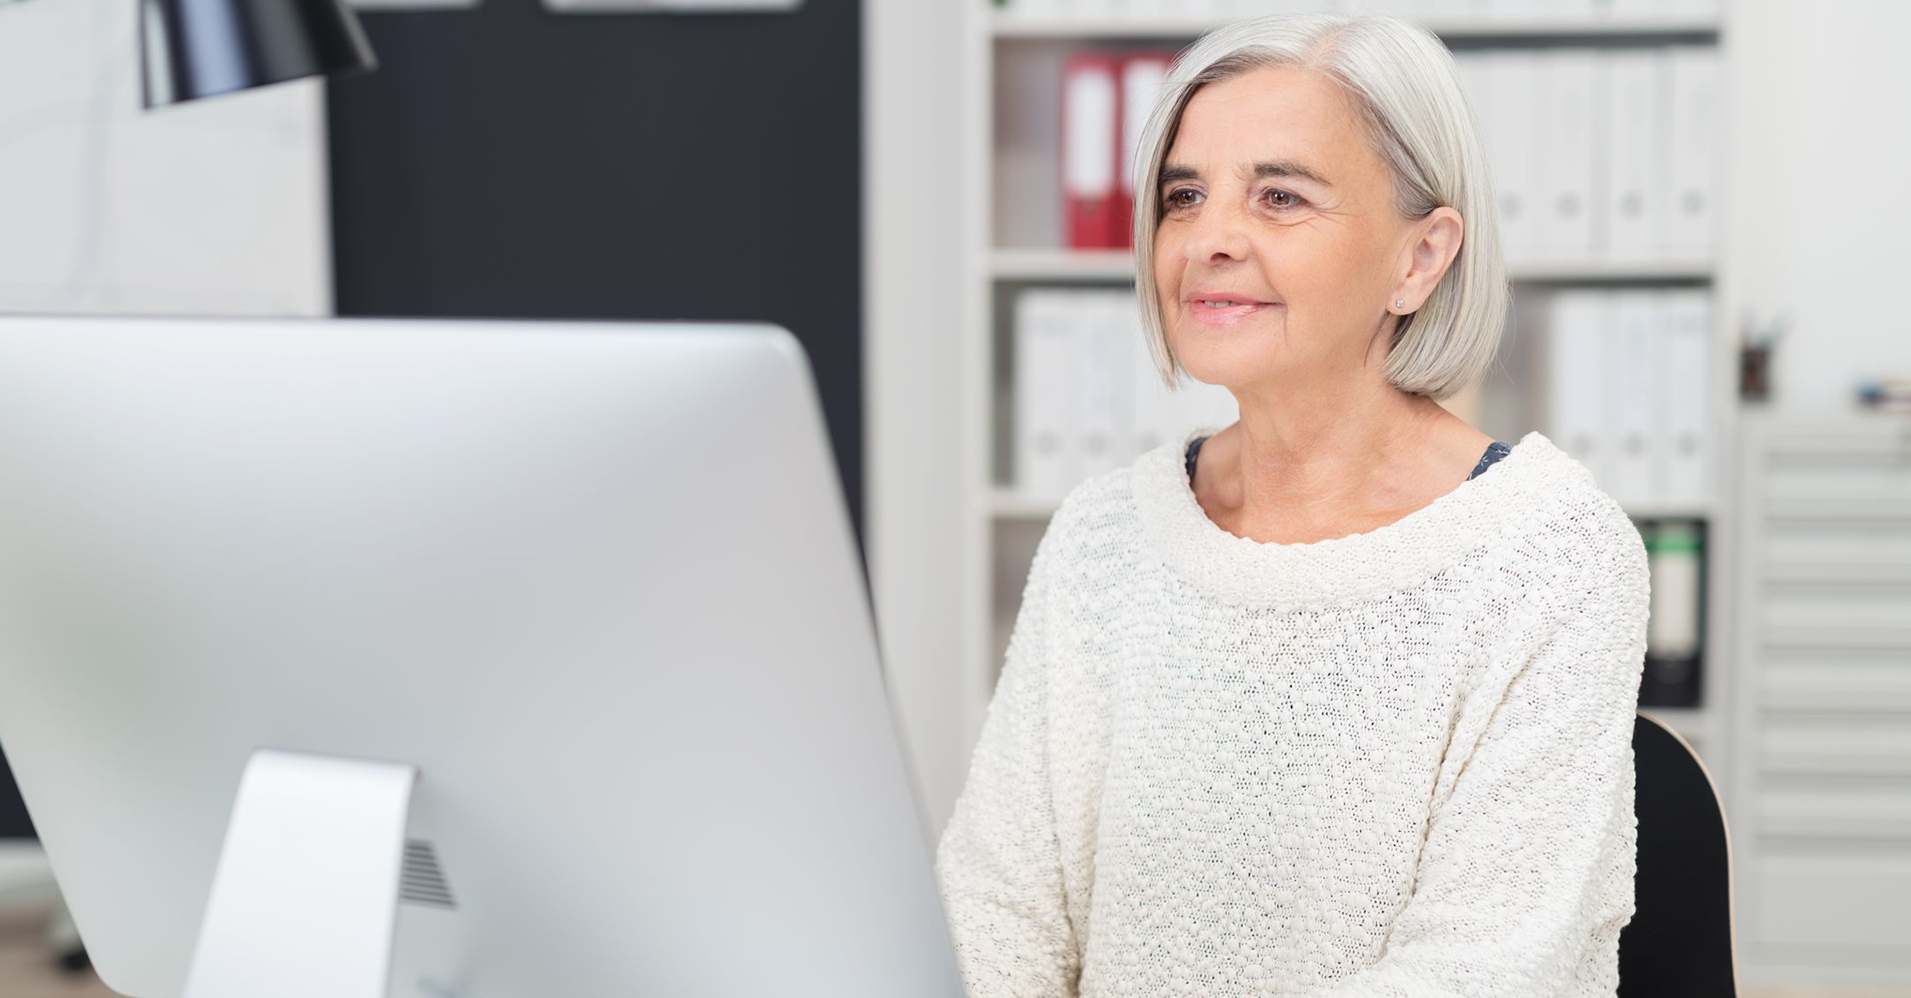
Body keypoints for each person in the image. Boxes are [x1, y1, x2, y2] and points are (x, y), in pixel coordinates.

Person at [934, 13, 1649, 997]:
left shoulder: (1548, 550)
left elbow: (1486, 969)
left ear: (1420, 258)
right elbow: (995, 908)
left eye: (1280, 196)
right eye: (1185, 196)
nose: (1209, 239)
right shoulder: (1104, 535)